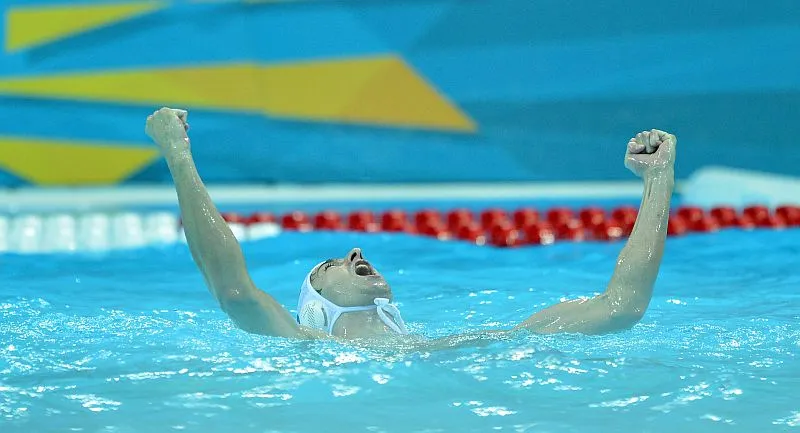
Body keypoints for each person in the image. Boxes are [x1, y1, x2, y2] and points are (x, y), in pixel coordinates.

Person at [145, 107, 676, 343]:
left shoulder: (474, 342)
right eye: (331, 264)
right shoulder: (305, 348)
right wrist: (178, 156)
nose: (354, 253)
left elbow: (620, 308)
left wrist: (657, 182)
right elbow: (235, 290)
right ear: (314, 307)